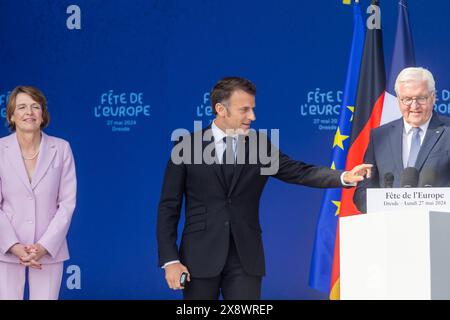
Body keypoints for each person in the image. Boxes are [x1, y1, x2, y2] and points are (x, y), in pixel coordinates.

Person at [157, 77, 372, 300]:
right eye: (244, 110)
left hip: (246, 259)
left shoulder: (260, 145)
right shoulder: (185, 147)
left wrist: (344, 176)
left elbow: (299, 171)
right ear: (221, 109)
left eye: (253, 109)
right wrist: (170, 261)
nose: (252, 117)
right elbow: (168, 208)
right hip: (198, 259)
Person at [0, 86, 77, 300]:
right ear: (11, 115)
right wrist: (13, 246)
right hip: (5, 248)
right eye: (22, 107)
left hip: (49, 249)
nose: (29, 112)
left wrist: (44, 246)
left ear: (42, 114)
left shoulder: (61, 149)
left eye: (35, 107)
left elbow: (67, 204)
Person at [354, 67, 450, 213]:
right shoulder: (379, 136)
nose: (414, 105)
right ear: (398, 100)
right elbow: (363, 190)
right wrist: (381, 211)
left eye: (421, 98)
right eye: (407, 99)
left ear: (433, 97)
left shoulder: (447, 131)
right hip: (391, 228)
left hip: (440, 228)